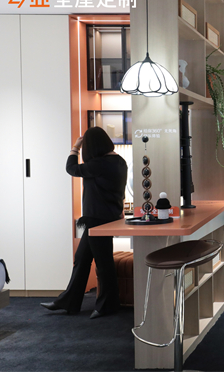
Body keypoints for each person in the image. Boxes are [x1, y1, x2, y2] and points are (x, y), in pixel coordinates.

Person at [41, 126, 128, 318]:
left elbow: (71, 168)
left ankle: (107, 305)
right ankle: (69, 302)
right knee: (82, 259)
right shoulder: (119, 162)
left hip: (98, 219)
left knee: (103, 263)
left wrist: (75, 148)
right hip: (106, 216)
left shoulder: (99, 164)